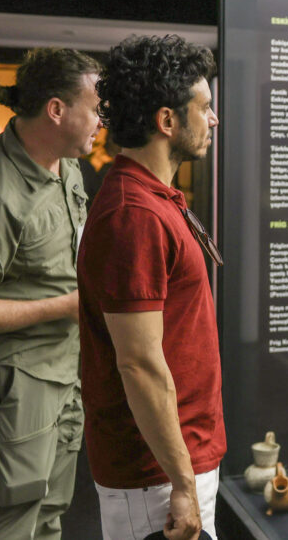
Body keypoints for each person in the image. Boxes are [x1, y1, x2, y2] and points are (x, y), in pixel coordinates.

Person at [0, 48, 102, 539]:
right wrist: (69, 307)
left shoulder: (66, 168)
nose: (100, 120)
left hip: (61, 374)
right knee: (4, 525)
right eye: (94, 107)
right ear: (56, 110)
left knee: (49, 516)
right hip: (8, 387)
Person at [77, 34, 224, 540]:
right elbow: (138, 363)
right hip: (156, 476)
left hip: (172, 462)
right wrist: (182, 483)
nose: (214, 120)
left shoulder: (153, 199)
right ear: (167, 121)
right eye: (204, 108)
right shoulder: (133, 215)